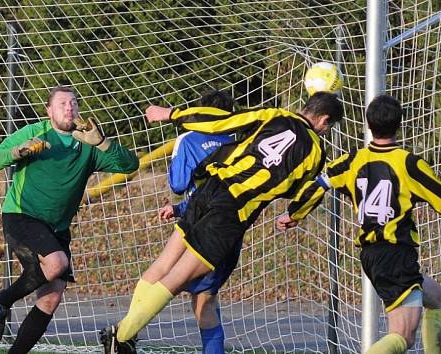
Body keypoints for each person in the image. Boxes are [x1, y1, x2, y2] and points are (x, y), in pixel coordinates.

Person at [101, 91, 344, 353]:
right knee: (181, 281)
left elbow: (222, 121)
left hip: (209, 189)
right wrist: (294, 214)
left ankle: (125, 334)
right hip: (232, 211)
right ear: (324, 120)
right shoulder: (316, 152)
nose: (325, 132)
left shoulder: (274, 114)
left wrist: (171, 115)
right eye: (328, 128)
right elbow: (305, 189)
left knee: (162, 266)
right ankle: (122, 335)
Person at [276, 94, 441, 354]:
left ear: (368, 125)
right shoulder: (408, 163)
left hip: (372, 255)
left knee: (437, 298)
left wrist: (294, 213)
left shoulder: (353, 160)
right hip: (395, 253)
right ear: (399, 125)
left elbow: (319, 184)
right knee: (402, 337)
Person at [0, 86, 139, 354]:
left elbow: (129, 165)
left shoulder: (88, 144)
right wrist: (17, 152)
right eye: (63, 103)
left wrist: (102, 142)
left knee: (51, 296)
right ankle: (3, 299)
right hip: (22, 215)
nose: (69, 108)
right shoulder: (34, 133)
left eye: (74, 103)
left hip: (57, 229)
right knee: (56, 264)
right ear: (49, 111)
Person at [159, 89, 236, 354]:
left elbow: (178, 184)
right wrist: (180, 209)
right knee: (204, 298)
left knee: (161, 281)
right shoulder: (241, 139)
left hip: (201, 228)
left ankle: (123, 335)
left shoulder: (189, 140)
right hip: (232, 228)